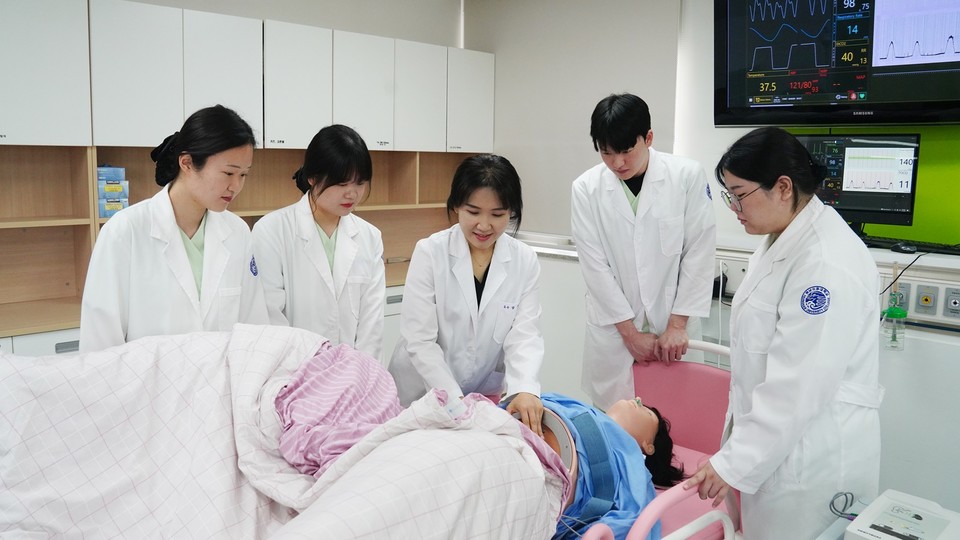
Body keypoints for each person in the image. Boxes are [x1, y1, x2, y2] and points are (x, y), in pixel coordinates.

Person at [683, 127, 883, 539]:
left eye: (739, 195)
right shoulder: (782, 239)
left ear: (783, 188)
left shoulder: (824, 263)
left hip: (812, 463)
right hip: (778, 450)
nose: (734, 208)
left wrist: (734, 462)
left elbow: (797, 385)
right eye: (728, 195)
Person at [80, 105, 268, 352]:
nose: (236, 186)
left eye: (243, 175)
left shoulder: (238, 233)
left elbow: (254, 327)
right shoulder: (125, 231)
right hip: (148, 378)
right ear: (187, 163)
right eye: (228, 173)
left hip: (223, 376)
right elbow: (99, 343)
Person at [571, 93, 716, 410]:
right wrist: (630, 335)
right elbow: (595, 268)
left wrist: (677, 325)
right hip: (615, 334)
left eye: (626, 151)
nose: (617, 163)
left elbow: (699, 252)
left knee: (678, 419)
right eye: (606, 152)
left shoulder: (686, 176)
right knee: (615, 422)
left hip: (673, 329)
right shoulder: (586, 188)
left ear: (648, 138)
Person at [388, 153, 546, 434]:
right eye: (473, 212)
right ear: (457, 206)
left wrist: (524, 388)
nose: (484, 225)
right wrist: (454, 402)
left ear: (511, 212)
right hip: (422, 393)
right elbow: (421, 341)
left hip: (483, 396)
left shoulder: (524, 260)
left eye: (497, 215)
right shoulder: (431, 253)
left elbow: (524, 335)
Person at [251, 125, 385, 359]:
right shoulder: (272, 230)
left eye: (360, 183)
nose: (352, 193)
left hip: (354, 371)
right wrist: (311, 373)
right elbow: (270, 318)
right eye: (342, 184)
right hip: (295, 370)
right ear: (313, 178)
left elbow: (371, 324)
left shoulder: (370, 236)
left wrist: (358, 371)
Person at [536, 393, 682, 540]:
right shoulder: (576, 408)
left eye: (648, 412)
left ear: (648, 447)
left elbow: (632, 518)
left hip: (542, 491)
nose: (638, 399)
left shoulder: (635, 471)